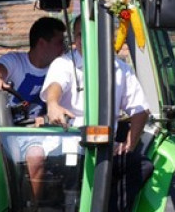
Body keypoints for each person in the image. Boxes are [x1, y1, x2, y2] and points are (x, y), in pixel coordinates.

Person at [0, 17, 67, 200]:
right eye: (60, 43)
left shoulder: (63, 69)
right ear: (42, 43)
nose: (63, 50)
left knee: (36, 156)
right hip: (6, 131)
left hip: (41, 132)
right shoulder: (15, 61)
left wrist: (45, 117)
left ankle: (34, 208)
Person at [40, 16, 150, 154]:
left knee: (143, 167)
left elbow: (141, 109)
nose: (85, 40)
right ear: (74, 38)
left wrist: (129, 145)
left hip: (104, 147)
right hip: (65, 145)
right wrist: (53, 104)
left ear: (106, 37)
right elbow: (55, 85)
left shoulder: (122, 69)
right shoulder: (63, 64)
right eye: (80, 35)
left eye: (92, 33)